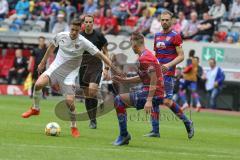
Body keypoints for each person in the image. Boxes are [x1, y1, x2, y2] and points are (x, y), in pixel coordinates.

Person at [21, 20, 118, 138]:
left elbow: (101, 55)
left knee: (70, 102)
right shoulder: (61, 36)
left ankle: (74, 127)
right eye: (72, 29)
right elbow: (51, 47)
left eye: (76, 31)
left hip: (70, 75)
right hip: (55, 69)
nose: (73, 32)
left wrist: (111, 67)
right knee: (38, 84)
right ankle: (35, 109)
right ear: (70, 28)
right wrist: (42, 63)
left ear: (80, 30)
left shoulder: (84, 42)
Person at [112, 31, 164, 146]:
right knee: (120, 100)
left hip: (154, 94)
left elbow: (154, 78)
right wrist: (124, 81)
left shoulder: (144, 58)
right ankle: (124, 135)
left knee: (118, 100)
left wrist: (149, 100)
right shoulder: (145, 55)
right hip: (154, 92)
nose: (131, 47)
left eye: (131, 44)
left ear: (134, 45)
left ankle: (124, 135)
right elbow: (143, 78)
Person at [153, 10, 194, 139]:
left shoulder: (175, 35)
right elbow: (157, 56)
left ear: (171, 21)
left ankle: (187, 122)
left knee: (167, 101)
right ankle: (155, 130)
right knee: (154, 100)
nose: (164, 22)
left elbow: (181, 56)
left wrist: (168, 65)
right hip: (157, 74)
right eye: (162, 20)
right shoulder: (157, 35)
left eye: (167, 20)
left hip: (168, 73)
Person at [79, 14, 109, 129]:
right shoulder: (79, 36)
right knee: (87, 95)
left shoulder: (99, 36)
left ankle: (100, 98)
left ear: (93, 23)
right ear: (83, 23)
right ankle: (92, 120)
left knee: (92, 91)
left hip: (96, 66)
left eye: (90, 22)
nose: (88, 24)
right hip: (83, 67)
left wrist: (106, 68)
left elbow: (106, 52)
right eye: (86, 22)